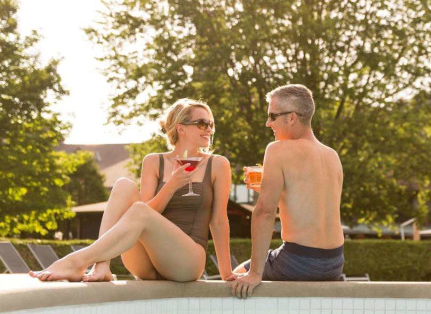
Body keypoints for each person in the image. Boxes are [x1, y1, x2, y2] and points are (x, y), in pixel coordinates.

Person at [30, 99, 234, 283]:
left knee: (139, 210)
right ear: (181, 129)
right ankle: (101, 267)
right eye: (202, 123)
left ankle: (75, 261)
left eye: (211, 124)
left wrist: (227, 273)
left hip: (186, 262)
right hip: (146, 262)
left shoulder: (217, 164)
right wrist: (171, 185)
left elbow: (218, 221)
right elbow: (146, 215)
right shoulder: (154, 162)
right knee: (123, 186)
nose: (209, 129)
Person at [230, 84, 344, 299]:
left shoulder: (277, 149)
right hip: (334, 263)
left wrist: (255, 273)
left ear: (292, 117)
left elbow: (264, 212)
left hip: (300, 261)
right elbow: (313, 203)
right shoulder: (331, 155)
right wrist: (269, 188)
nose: (268, 123)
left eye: (272, 116)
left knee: (236, 277)